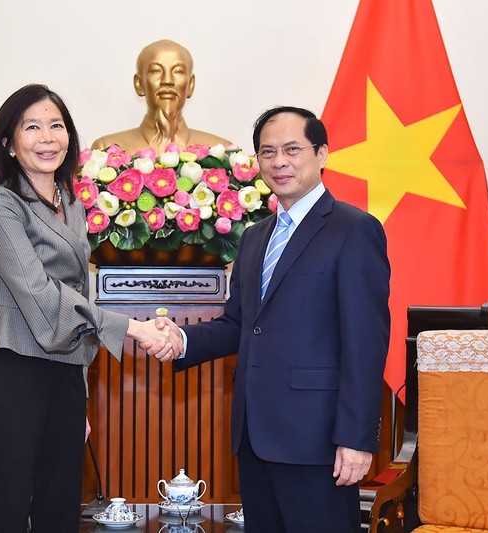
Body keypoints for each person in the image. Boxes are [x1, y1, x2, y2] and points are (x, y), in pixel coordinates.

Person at [153, 107, 390, 532]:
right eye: (268, 152)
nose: (279, 161)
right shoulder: (255, 236)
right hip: (255, 436)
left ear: (322, 154)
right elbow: (239, 326)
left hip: (319, 441)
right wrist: (182, 340)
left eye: (292, 149)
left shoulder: (354, 230)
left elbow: (365, 343)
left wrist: (356, 439)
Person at [0, 83, 181, 533]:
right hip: (12, 370)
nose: (48, 137)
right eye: (33, 127)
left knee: (61, 510)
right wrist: (133, 329)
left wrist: (79, 396)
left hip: (64, 375)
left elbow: (78, 300)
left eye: (56, 125)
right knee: (4, 512)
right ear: (9, 142)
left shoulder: (72, 204)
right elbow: (40, 294)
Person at [91, 39, 231, 154]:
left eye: (178, 71)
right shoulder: (107, 150)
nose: (167, 80)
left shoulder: (221, 152)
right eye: (156, 71)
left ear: (190, 85)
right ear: (139, 84)